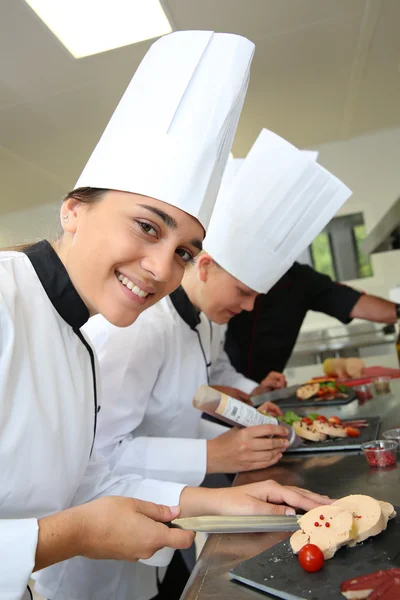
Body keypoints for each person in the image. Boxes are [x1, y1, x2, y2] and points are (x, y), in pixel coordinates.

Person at [0, 30, 282, 600]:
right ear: (74, 210)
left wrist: (223, 500)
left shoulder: (77, 336)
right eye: (147, 226)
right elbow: (72, 509)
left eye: (181, 250)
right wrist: (71, 533)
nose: (160, 267)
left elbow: (90, 476)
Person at [34, 130, 351, 600]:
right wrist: (215, 456)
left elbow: (209, 377)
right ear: (73, 212)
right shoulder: (134, 328)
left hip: (147, 522)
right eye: (242, 292)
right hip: (83, 569)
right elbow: (98, 457)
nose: (246, 307)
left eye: (180, 249)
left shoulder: (202, 321)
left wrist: (250, 399)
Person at [224, 262, 399, 382]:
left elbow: (352, 302)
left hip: (267, 390)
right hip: (219, 388)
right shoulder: (228, 273)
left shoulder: (301, 279)